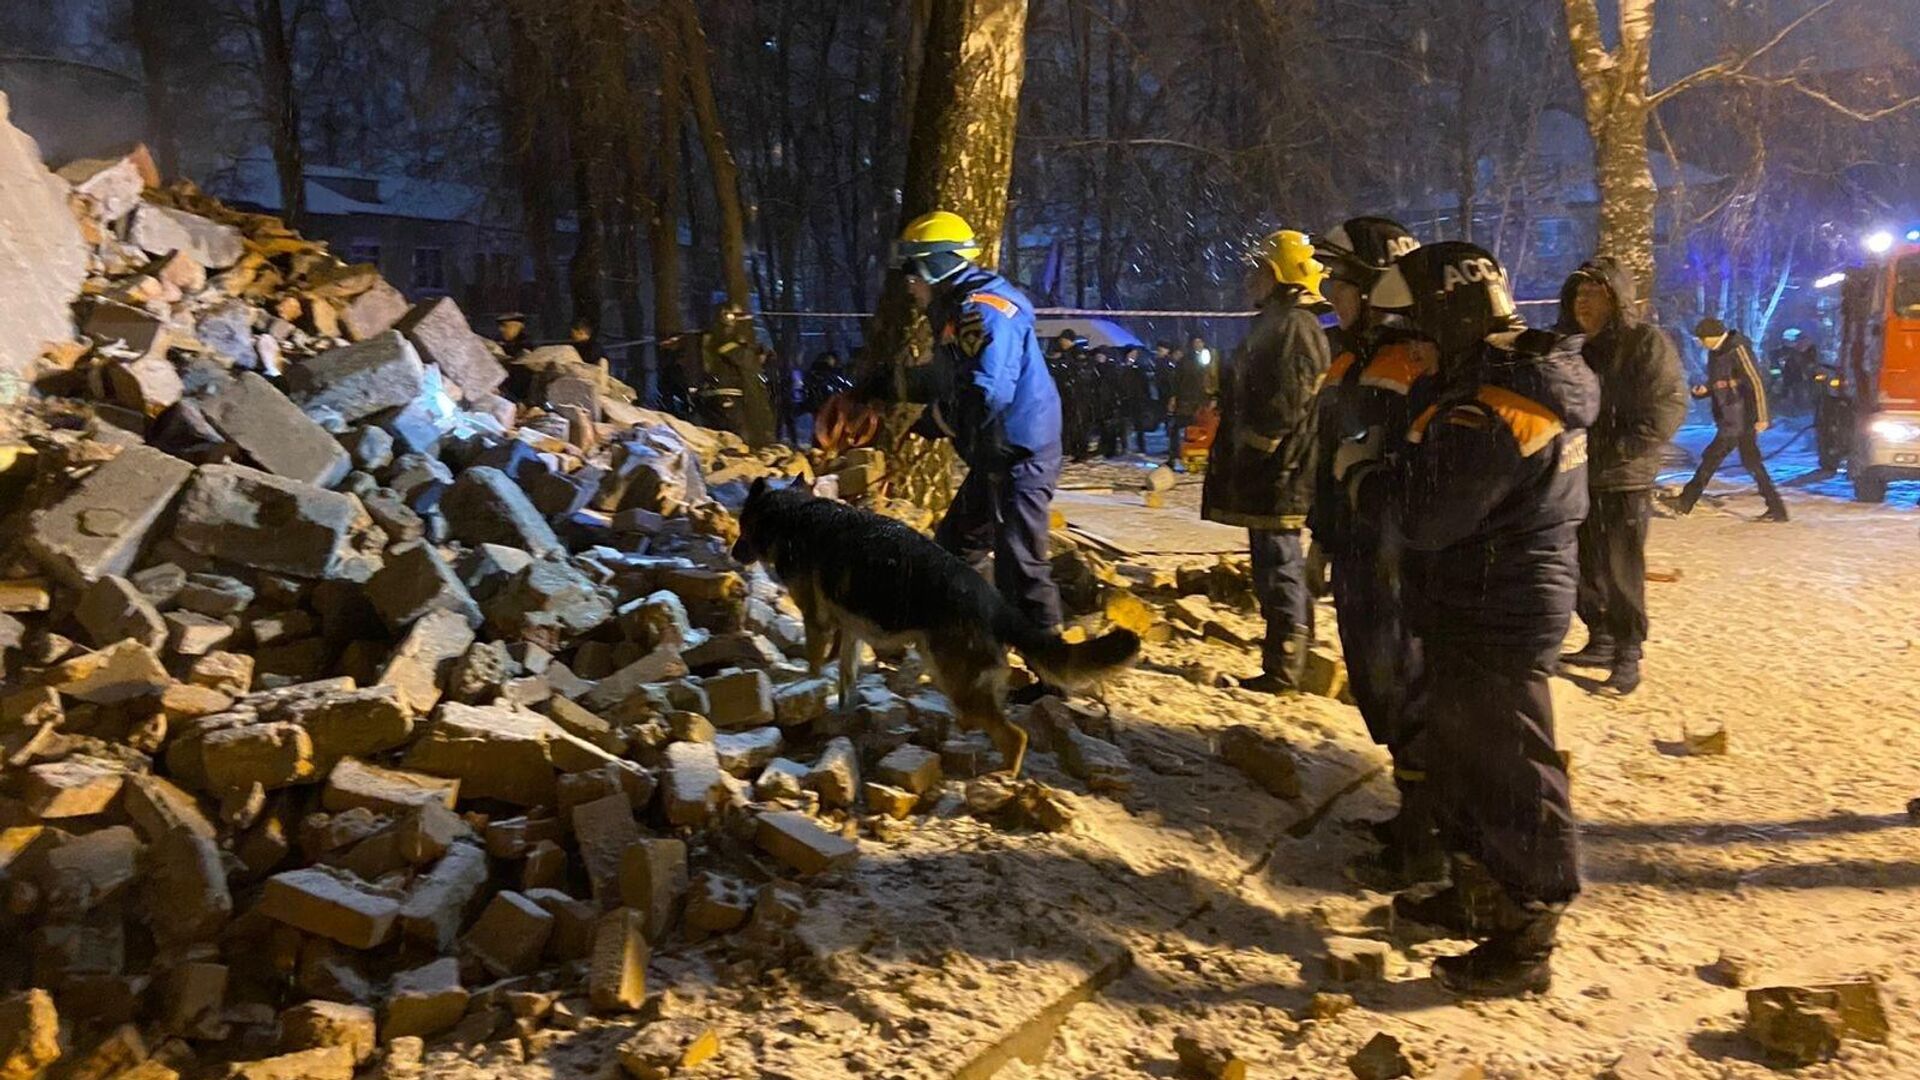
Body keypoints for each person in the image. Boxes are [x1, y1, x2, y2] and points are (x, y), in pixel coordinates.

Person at [1366, 242, 1594, 996]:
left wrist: (1369, 483)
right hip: (1478, 598)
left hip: (1499, 606)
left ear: (1453, 317)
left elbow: (1430, 515)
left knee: (1509, 770)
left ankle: (1527, 933)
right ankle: (1479, 895)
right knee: (1466, 756)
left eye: (1421, 331)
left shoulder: (1500, 402)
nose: (1416, 348)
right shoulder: (1496, 381)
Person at [1307, 216, 1434, 881]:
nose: (1330, 292)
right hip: (1358, 549)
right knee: (1382, 690)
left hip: (1392, 560)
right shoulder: (1353, 352)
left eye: (1340, 281)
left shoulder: (1407, 359)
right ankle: (1411, 814)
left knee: (1409, 692)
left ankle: (1428, 839)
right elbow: (1335, 455)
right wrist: (1323, 537)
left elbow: (1406, 476)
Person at [880, 210, 1066, 631]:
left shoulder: (984, 312)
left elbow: (988, 393)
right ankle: (962, 639)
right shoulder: (957, 309)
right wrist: (891, 385)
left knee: (1020, 564)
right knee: (954, 550)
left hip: (1020, 451)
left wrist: (938, 420)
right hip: (995, 451)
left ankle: (1053, 674)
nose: (909, 283)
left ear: (939, 264)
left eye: (914, 270)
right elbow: (951, 375)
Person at [1201, 229, 1331, 694]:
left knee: (1278, 567)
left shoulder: (1294, 324)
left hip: (1282, 471)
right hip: (1275, 469)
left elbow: (1288, 400)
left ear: (1283, 277)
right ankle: (1290, 657)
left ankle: (1284, 669)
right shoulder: (1280, 321)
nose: (1249, 279)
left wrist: (1256, 445)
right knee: (1274, 565)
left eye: (1259, 270)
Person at [1554, 257, 1688, 696]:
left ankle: (1628, 651)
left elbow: (1666, 405)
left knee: (1619, 569)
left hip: (1623, 478)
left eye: (1593, 293)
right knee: (1577, 566)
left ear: (1616, 298)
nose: (1583, 302)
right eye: (1578, 294)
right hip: (1577, 476)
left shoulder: (1644, 342)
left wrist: (1623, 450)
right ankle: (1601, 637)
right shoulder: (1571, 347)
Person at [1671, 317, 1788, 522]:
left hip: (1741, 418)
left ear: (1712, 337)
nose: (1700, 343)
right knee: (1750, 462)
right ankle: (1777, 508)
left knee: (1712, 458)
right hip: (1730, 417)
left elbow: (1755, 382)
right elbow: (1722, 382)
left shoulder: (1738, 349)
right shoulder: (1716, 353)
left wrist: (1762, 416)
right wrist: (1706, 390)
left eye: (1702, 339)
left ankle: (1686, 501)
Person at [702, 304, 776, 448]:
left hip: (721, 390)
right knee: (734, 431)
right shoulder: (721, 336)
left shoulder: (715, 336)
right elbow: (740, 357)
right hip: (726, 390)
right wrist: (757, 355)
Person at [1167, 339, 1210, 469]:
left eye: (1201, 342)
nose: (1198, 345)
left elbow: (1208, 382)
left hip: (1200, 401)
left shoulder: (1206, 359)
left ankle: (1195, 456)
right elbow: (1177, 380)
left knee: (1199, 431)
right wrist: (1174, 397)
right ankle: (1175, 455)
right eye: (1196, 342)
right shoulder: (1185, 361)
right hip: (1186, 400)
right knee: (1179, 428)